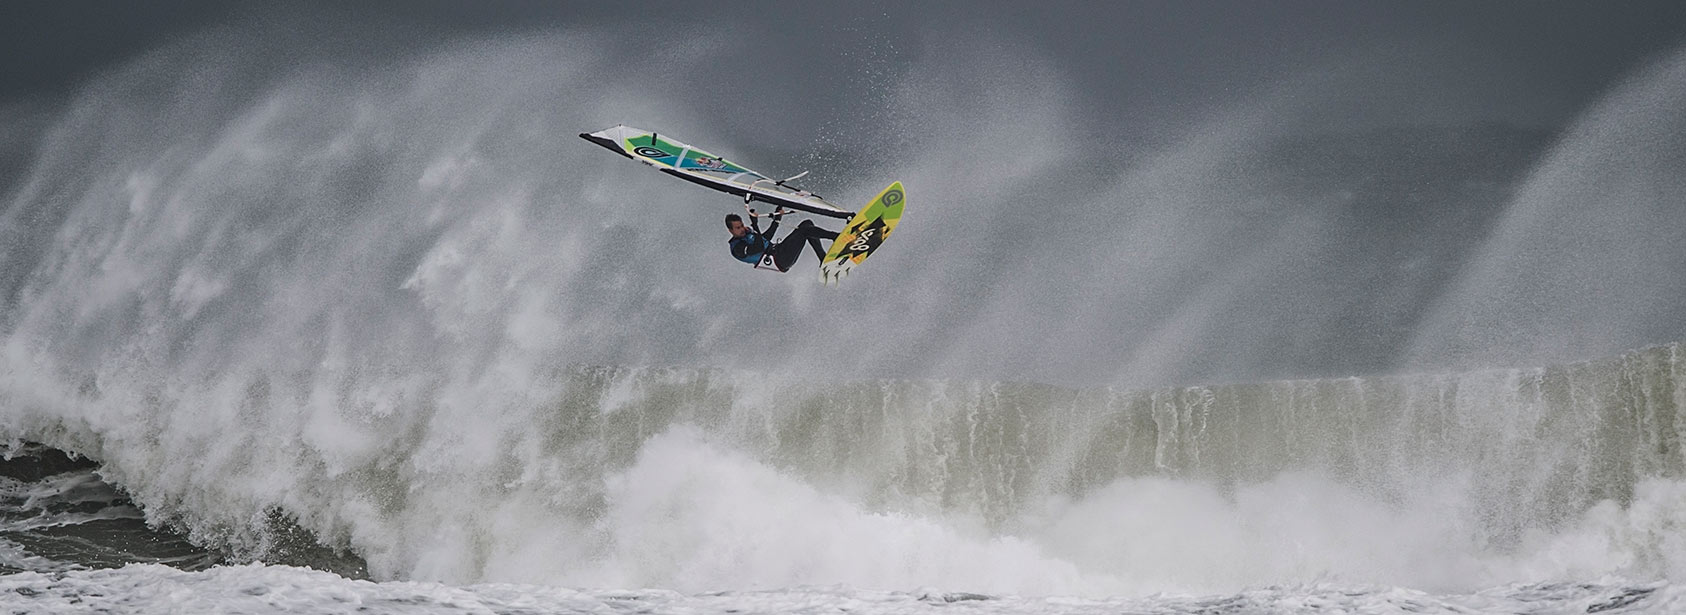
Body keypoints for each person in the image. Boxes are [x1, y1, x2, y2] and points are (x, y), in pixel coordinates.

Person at [725, 207, 838, 272]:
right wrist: (755, 225)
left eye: (741, 225)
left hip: (779, 250)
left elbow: (765, 239)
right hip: (780, 260)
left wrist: (777, 219)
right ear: (730, 230)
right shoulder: (737, 249)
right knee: (804, 231)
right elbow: (758, 247)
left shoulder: (746, 233)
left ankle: (823, 259)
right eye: (737, 228)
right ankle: (835, 236)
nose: (742, 229)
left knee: (806, 224)